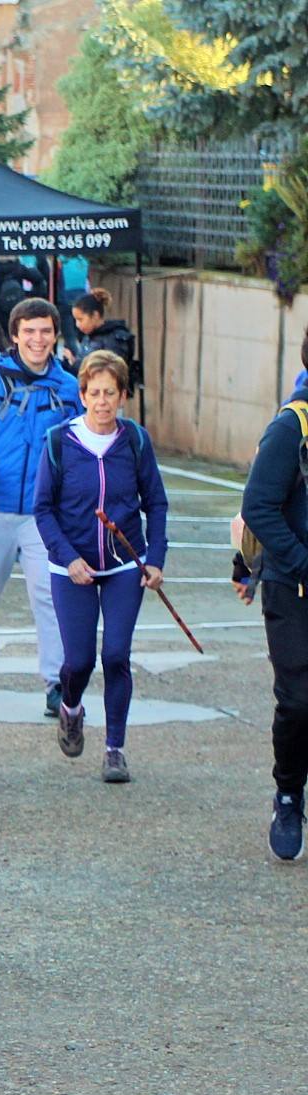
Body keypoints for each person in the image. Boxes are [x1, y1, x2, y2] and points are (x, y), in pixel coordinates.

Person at [32, 350, 167, 784]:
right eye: (94, 393)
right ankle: (71, 708)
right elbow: (42, 509)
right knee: (79, 661)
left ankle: (114, 750)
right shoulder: (59, 442)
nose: (102, 401)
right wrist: (67, 557)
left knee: (116, 654)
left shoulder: (135, 441)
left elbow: (156, 503)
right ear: (83, 395)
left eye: (110, 393)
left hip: (125, 564)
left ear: (123, 396)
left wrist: (155, 559)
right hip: (71, 566)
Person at [0, 297, 82, 711]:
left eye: (45, 331)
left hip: (45, 513)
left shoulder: (69, 388)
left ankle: (56, 682)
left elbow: (80, 444)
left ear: (55, 335)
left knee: (51, 596)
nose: (38, 339)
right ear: (15, 335)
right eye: (29, 331)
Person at [242, 328, 308, 860]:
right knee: (299, 701)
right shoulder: (291, 428)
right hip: (293, 587)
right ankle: (288, 793)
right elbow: (258, 506)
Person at [68, 288, 136, 373]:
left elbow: (113, 372)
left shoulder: (115, 339)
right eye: (75, 320)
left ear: (95, 316)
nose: (77, 325)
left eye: (80, 319)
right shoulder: (87, 337)